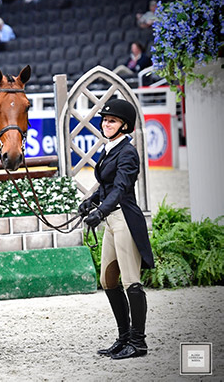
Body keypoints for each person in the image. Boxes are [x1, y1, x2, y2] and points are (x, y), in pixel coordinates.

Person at [78, 98, 154, 360]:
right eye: (105, 120)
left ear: (124, 126)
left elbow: (121, 188)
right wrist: (91, 201)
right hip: (111, 219)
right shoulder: (110, 148)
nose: (106, 123)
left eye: (112, 120)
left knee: (130, 280)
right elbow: (107, 185)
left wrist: (100, 211)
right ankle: (123, 338)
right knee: (107, 281)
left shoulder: (128, 152)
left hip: (125, 220)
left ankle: (138, 342)